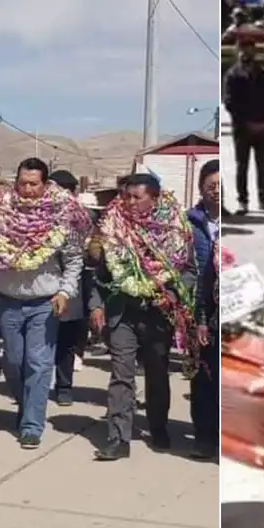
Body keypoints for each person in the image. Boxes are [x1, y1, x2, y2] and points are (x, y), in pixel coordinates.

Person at [0, 158, 90, 449]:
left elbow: (74, 260)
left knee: (38, 363)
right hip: (8, 301)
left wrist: (65, 292)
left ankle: (31, 425)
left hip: (45, 302)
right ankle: (26, 408)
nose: (27, 189)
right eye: (22, 183)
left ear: (45, 183)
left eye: (33, 184)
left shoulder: (62, 214)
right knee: (13, 361)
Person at [89, 174, 197, 461]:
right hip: (122, 311)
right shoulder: (112, 228)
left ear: (155, 198)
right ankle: (118, 437)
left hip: (157, 313)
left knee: (157, 374)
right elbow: (99, 274)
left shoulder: (177, 229)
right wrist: (96, 305)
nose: (130, 203)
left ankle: (158, 427)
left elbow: (189, 271)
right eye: (127, 197)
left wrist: (172, 296)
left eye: (137, 197)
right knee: (121, 375)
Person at [223, 39, 264, 214]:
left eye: (249, 48)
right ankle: (243, 201)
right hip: (242, 129)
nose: (246, 52)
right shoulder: (232, 75)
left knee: (262, 165)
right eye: (242, 49)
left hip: (263, 127)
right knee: (242, 165)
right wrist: (247, 122)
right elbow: (230, 102)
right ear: (237, 51)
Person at [187, 161, 219, 460]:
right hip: (202, 310)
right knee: (204, 377)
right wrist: (198, 318)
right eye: (212, 186)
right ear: (201, 189)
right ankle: (204, 436)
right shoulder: (189, 223)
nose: (218, 192)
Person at [49, 169, 89, 407]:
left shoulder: (82, 217)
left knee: (65, 340)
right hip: (41, 284)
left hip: (70, 285)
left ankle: (64, 386)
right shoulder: (38, 213)